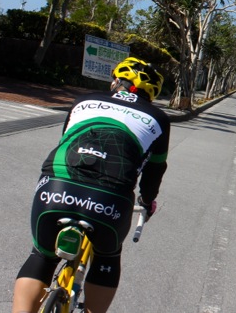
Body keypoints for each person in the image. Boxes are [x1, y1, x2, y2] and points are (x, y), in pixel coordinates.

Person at [12, 57, 170, 313]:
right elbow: (155, 170)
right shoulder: (159, 118)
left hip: (57, 185)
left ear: (116, 81)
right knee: (107, 257)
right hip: (111, 198)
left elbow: (66, 138)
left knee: (42, 256)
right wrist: (146, 202)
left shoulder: (83, 101)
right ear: (150, 94)